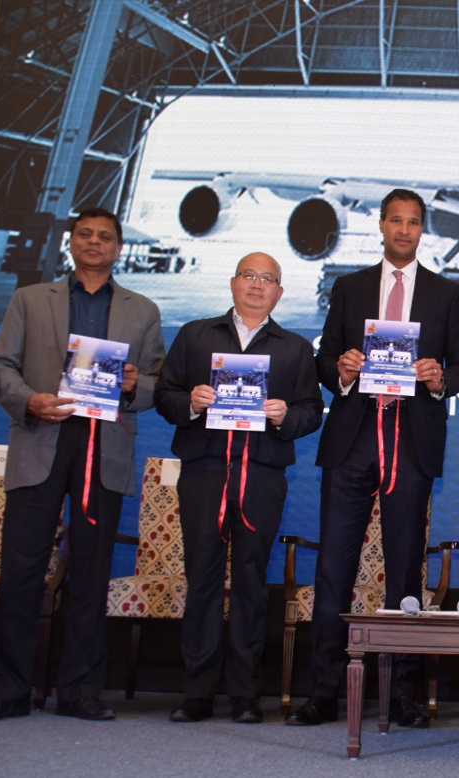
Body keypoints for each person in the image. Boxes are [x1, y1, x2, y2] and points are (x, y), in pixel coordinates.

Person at [286, 189, 459, 727]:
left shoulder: (445, 293)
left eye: (413, 222)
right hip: (354, 438)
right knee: (333, 569)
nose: (404, 230)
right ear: (382, 225)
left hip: (411, 441)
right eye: (396, 220)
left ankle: (402, 694)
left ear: (422, 230)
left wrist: (439, 379)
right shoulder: (350, 287)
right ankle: (324, 692)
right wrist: (342, 371)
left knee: (404, 573)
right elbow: (324, 359)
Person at [0, 207, 164, 721]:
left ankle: (80, 691)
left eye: (105, 236)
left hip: (103, 448)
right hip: (40, 439)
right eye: (85, 234)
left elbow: (157, 382)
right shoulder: (29, 299)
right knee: (21, 571)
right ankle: (8, 689)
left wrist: (135, 385)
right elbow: (2, 365)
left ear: (118, 248)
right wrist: (28, 400)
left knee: (91, 573)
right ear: (71, 242)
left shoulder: (143, 310)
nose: (94, 242)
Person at [155, 253, 323, 724]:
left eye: (267, 279)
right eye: (249, 275)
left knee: (251, 582)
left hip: (262, 477)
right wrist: (190, 403)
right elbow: (164, 395)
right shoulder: (195, 335)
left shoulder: (294, 348)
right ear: (233, 283)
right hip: (205, 471)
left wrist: (285, 416)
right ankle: (197, 692)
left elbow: (311, 411)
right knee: (203, 580)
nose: (256, 284)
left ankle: (245, 694)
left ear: (279, 293)